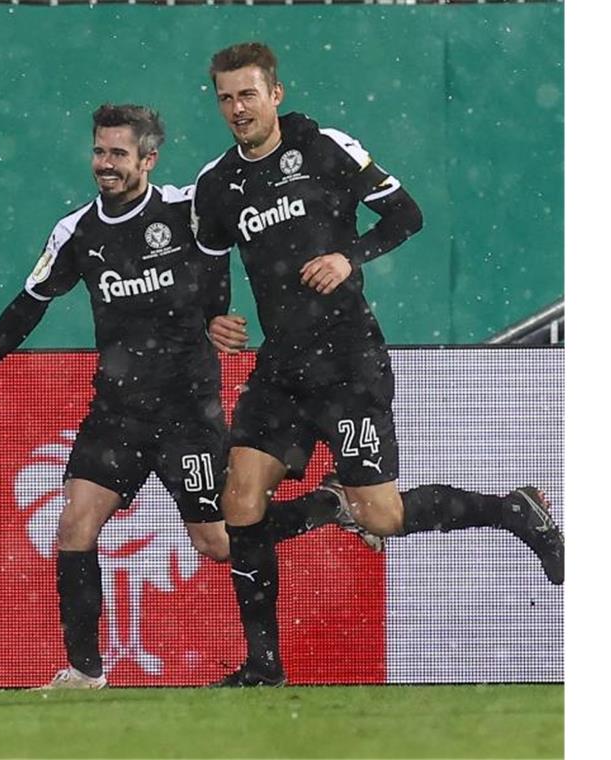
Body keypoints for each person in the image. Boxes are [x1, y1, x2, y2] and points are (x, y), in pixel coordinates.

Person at [0, 104, 379, 690]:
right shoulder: (77, 232)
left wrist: (220, 316)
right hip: (116, 413)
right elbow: (30, 304)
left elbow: (230, 254)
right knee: (75, 525)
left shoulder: (184, 211)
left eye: (118, 154)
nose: (105, 164)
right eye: (100, 151)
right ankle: (83, 671)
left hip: (186, 416)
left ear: (148, 159)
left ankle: (330, 506)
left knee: (219, 543)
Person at [192, 41, 565, 687]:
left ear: (275, 94)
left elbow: (407, 214)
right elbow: (207, 264)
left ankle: (512, 509)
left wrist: (350, 257)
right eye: (225, 97)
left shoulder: (325, 147)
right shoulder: (218, 183)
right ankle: (264, 666)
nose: (237, 108)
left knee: (382, 517)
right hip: (281, 365)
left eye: (248, 94)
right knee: (240, 502)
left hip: (346, 359)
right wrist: (211, 316)